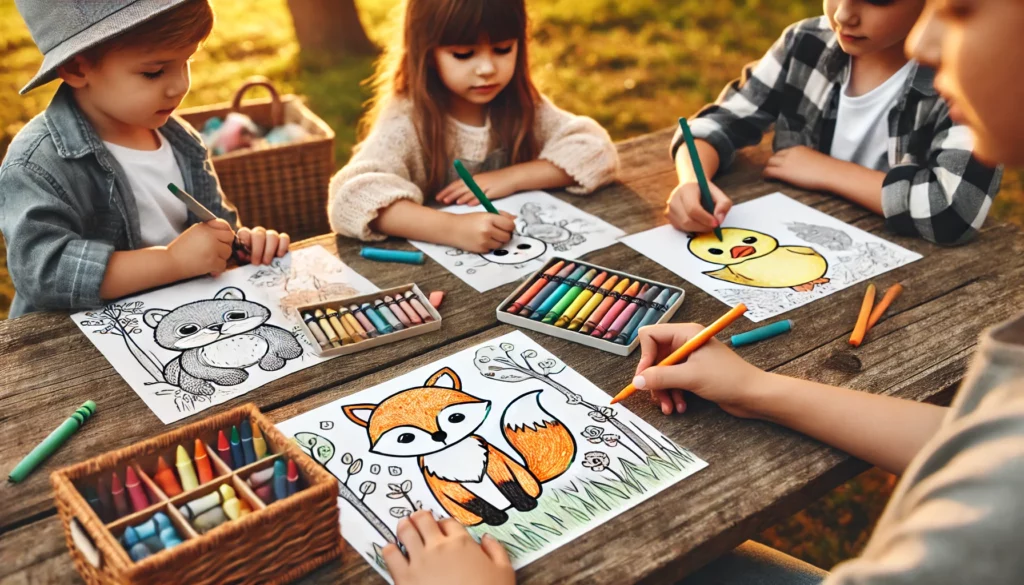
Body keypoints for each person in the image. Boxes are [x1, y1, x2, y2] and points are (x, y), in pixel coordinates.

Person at [0, 0, 289, 319]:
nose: (180, 86)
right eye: (154, 73)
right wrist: (170, 261)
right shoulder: (36, 163)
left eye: (187, 62)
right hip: (77, 345)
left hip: (183, 317)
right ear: (77, 68)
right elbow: (43, 272)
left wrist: (241, 244)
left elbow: (215, 227)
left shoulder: (181, 140)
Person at [667, 0, 1002, 246]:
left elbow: (953, 212)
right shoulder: (807, 42)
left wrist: (826, 171)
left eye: (877, 0)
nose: (843, 14)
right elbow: (720, 121)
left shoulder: (961, 80)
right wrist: (692, 179)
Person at [327, 0, 619, 253]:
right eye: (464, 54)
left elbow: (596, 151)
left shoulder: (519, 103)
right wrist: (452, 229)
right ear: (427, 54)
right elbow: (350, 198)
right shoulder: (408, 120)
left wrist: (513, 177)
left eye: (503, 49)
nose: (487, 68)